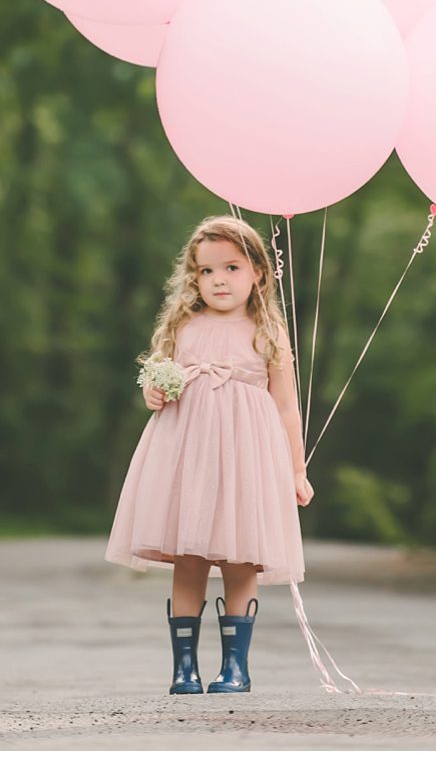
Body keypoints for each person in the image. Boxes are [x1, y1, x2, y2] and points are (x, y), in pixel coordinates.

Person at [106, 215, 314, 693]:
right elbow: (157, 383)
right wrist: (153, 394)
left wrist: (295, 469)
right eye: (206, 271)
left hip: (247, 456)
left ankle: (235, 668)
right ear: (192, 276)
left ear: (258, 272)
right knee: (190, 555)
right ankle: (184, 668)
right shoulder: (183, 326)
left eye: (232, 268)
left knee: (242, 555)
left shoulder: (269, 332)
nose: (219, 280)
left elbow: (286, 407)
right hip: (189, 457)